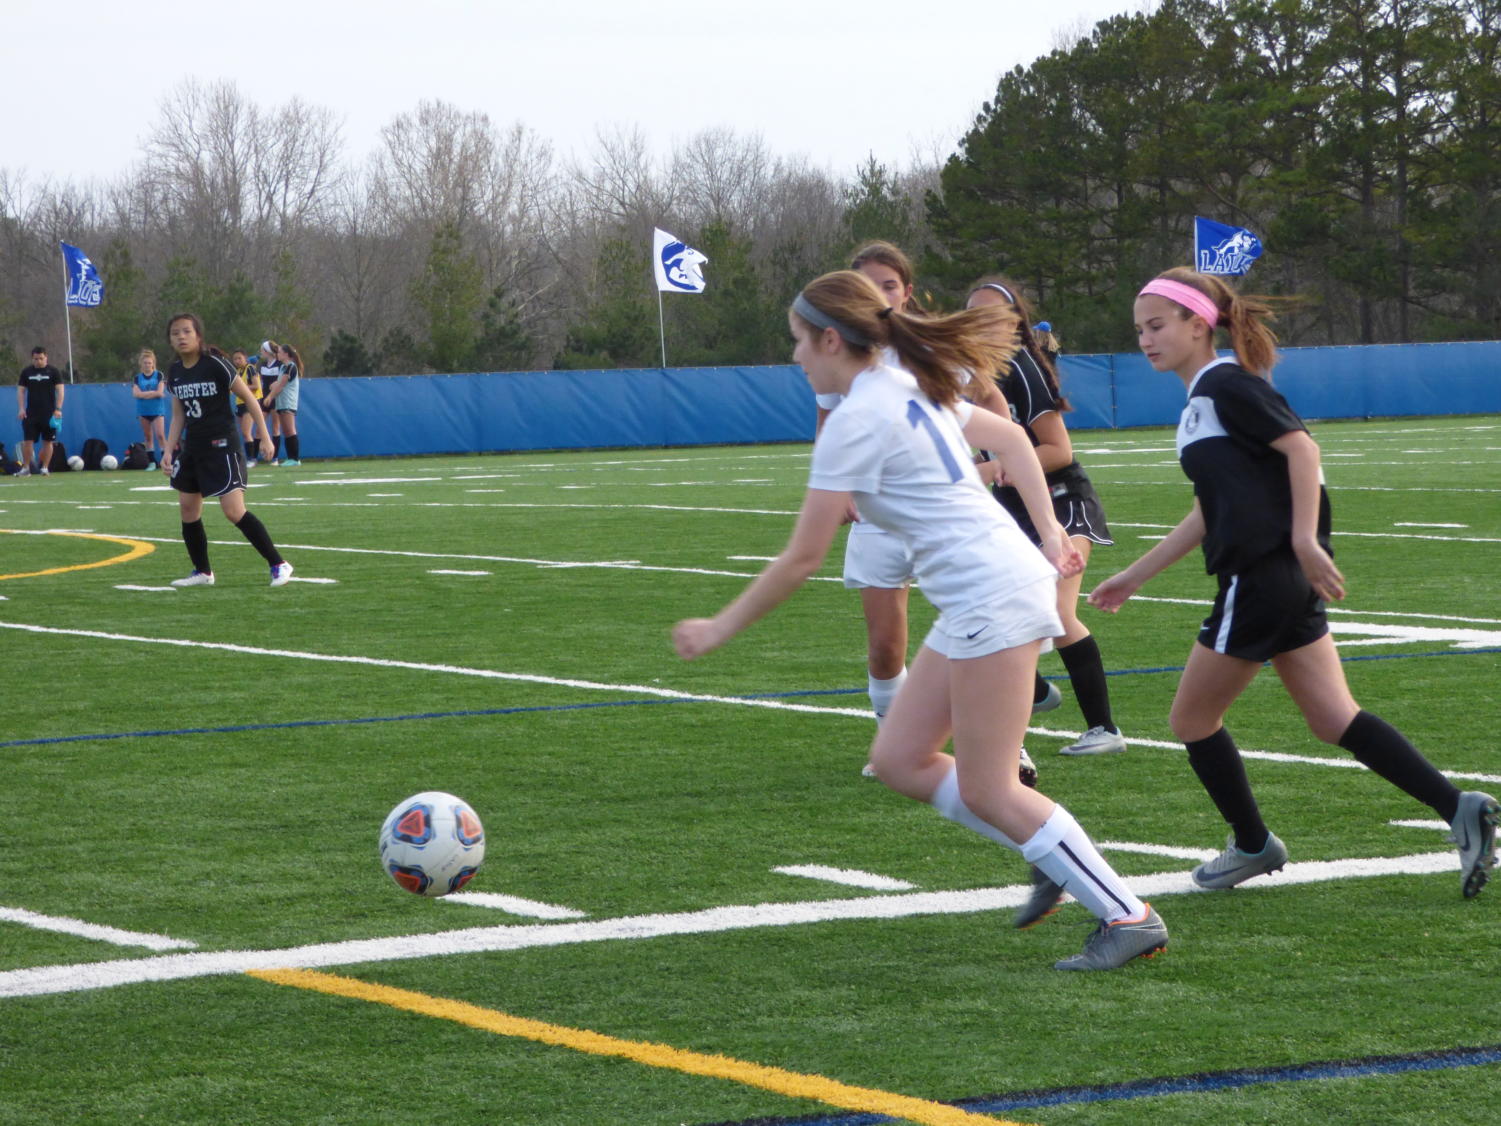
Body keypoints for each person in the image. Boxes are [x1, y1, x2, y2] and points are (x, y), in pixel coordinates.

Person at [674, 270, 1169, 970]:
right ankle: (1050, 856)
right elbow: (1014, 440)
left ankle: (1126, 914)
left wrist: (717, 628)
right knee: (899, 760)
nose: (794, 359)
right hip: (986, 590)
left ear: (829, 338)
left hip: (991, 594)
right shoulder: (904, 385)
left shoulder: (857, 416)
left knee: (990, 787)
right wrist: (1046, 533)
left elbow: (800, 558)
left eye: (797, 342)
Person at [1088, 266, 1498, 898]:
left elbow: (1302, 449)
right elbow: (1209, 510)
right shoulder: (1202, 399)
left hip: (1260, 577)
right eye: (1139, 328)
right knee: (1335, 718)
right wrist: (1135, 576)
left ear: (1199, 324)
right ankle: (1458, 807)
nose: (1145, 338)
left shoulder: (1226, 386)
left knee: (1191, 719)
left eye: (1157, 324)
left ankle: (1252, 845)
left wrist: (1306, 540)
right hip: (1278, 579)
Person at [822, 244, 1040, 785]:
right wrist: (840, 486)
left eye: (889, 285)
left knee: (979, 627)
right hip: (878, 512)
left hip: (945, 511)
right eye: (868, 285)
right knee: (884, 643)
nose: (879, 294)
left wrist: (994, 461)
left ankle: (1010, 748)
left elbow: (993, 404)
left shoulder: (927, 345)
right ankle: (893, 739)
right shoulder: (836, 354)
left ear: (907, 291)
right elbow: (827, 423)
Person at [966, 279, 1125, 757]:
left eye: (993, 316)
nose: (981, 325)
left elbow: (1058, 449)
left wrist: (996, 467)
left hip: (1062, 501)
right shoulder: (967, 374)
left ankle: (1104, 729)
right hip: (1013, 512)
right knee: (987, 606)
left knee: (1056, 613)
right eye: (972, 315)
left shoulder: (1022, 367)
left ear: (1015, 323)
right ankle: (1034, 692)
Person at [162, 313, 293, 588]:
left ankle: (279, 564)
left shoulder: (216, 365)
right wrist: (167, 450)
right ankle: (202, 571)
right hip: (192, 448)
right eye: (176, 333)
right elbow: (178, 415)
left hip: (222, 446)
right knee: (188, 510)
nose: (181, 337)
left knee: (233, 511)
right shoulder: (174, 372)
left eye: (187, 331)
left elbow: (249, 397)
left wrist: (265, 438)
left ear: (198, 335)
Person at [16, 346, 64, 477]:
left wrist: (58, 409)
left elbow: (60, 390)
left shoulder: (53, 371)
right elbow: (21, 390)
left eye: (41, 358)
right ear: (32, 358)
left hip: (49, 413)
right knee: (28, 441)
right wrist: (21, 408)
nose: (38, 361)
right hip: (31, 413)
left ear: (46, 357)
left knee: (48, 441)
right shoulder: (27, 372)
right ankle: (26, 468)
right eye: (35, 359)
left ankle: (45, 468)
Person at [262, 342, 303, 467]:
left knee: (290, 430)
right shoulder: (283, 368)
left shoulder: (291, 366)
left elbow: (281, 385)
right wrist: (273, 386)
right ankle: (291, 458)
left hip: (288, 402)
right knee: (286, 431)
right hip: (281, 402)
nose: (277, 354)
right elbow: (278, 383)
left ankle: (295, 459)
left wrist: (270, 396)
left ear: (286, 354)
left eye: (280, 352)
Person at [131, 349, 168, 468]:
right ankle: (152, 462)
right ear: (141, 364)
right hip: (143, 410)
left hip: (157, 410)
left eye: (149, 363)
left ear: (153, 363)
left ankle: (165, 460)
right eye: (145, 363)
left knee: (160, 435)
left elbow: (160, 392)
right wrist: (153, 393)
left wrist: (146, 394)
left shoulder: (159, 375)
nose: (147, 365)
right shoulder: (137, 378)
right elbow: (136, 394)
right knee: (148, 436)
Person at [230, 349, 263, 465]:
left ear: (245, 358)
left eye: (239, 358)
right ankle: (247, 458)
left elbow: (256, 385)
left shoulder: (250, 368)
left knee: (246, 432)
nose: (237, 361)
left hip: (250, 403)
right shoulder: (237, 371)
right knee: (242, 433)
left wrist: (241, 388)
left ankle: (252, 459)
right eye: (235, 359)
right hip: (240, 403)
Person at [256, 340, 284, 463]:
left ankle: (275, 458)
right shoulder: (261, 365)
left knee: (275, 427)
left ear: (268, 352)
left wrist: (275, 386)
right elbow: (260, 381)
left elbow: (281, 382)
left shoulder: (279, 364)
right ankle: (253, 458)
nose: (261, 352)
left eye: (262, 350)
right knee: (259, 427)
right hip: (264, 398)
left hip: (275, 397)